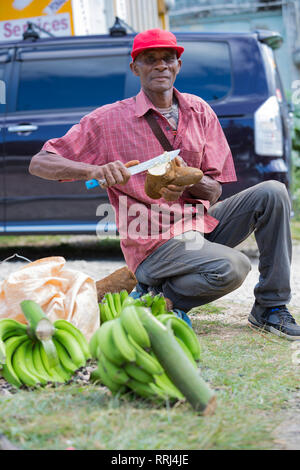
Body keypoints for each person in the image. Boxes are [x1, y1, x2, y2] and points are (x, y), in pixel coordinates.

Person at [29, 28, 300, 340]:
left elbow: (214, 191)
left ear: (178, 66)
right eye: (150, 59)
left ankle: (270, 307)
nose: (160, 65)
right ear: (136, 68)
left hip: (200, 225)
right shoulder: (108, 120)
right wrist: (94, 170)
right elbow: (40, 162)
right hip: (153, 239)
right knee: (234, 266)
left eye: (168, 58)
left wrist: (186, 181)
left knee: (273, 192)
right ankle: (151, 301)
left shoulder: (199, 111)